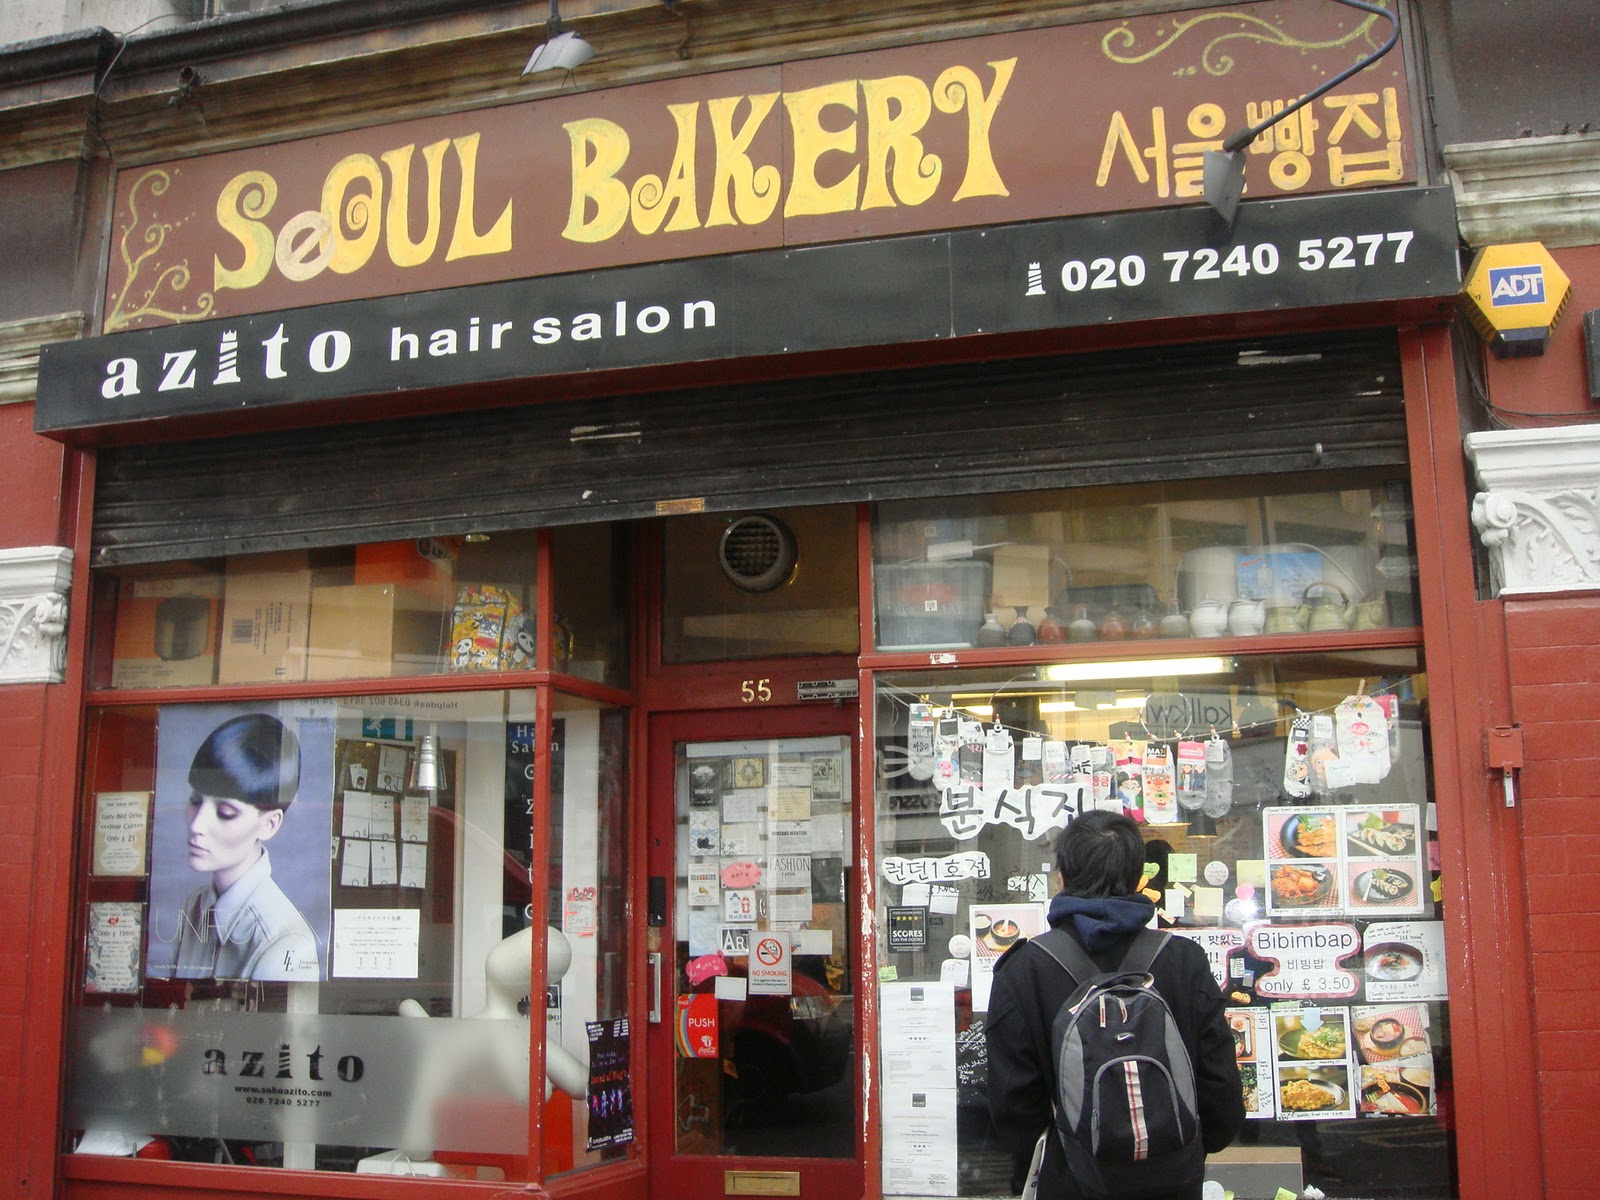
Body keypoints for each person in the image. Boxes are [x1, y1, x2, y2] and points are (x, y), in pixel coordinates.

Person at [986, 811, 1244, 1200]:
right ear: (1138, 879)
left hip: (1071, 1181)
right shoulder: (1184, 960)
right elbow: (1221, 1098)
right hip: (1173, 1182)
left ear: (1062, 879)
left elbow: (1012, 1119)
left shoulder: (1023, 970)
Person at [171, 712, 319, 981]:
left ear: (270, 824)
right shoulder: (195, 905)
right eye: (195, 800)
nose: (197, 825)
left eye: (226, 812)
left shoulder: (286, 942)